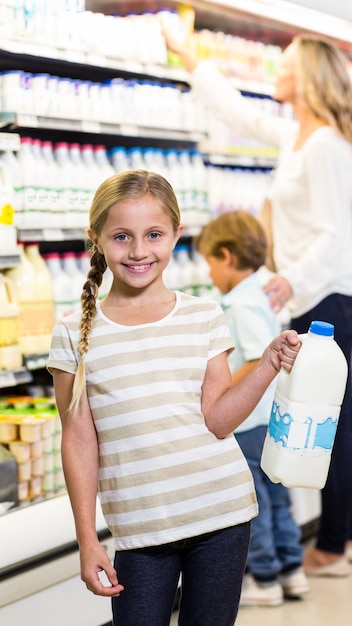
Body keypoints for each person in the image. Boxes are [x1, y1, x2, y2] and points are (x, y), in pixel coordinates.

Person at [47, 169, 301, 626]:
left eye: (154, 235)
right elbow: (79, 441)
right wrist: (88, 538)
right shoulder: (74, 334)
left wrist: (266, 364)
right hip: (140, 530)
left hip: (222, 515)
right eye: (122, 236)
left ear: (177, 235)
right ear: (96, 239)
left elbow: (218, 419)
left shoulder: (204, 314)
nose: (140, 250)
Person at [163, 29, 352, 577]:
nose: (276, 70)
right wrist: (191, 59)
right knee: (339, 419)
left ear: (307, 75)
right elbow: (238, 114)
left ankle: (332, 546)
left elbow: (331, 233)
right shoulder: (296, 137)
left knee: (331, 419)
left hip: (328, 295)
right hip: (316, 293)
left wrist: (288, 279)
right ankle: (348, 538)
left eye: (286, 62)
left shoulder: (325, 144)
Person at [195, 209, 309, 607]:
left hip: (247, 425)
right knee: (277, 501)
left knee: (254, 504)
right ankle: (292, 571)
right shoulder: (256, 298)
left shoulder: (238, 306)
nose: (208, 274)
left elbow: (259, 358)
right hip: (269, 420)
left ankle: (265, 578)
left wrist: (222, 386)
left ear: (225, 256)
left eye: (209, 262)